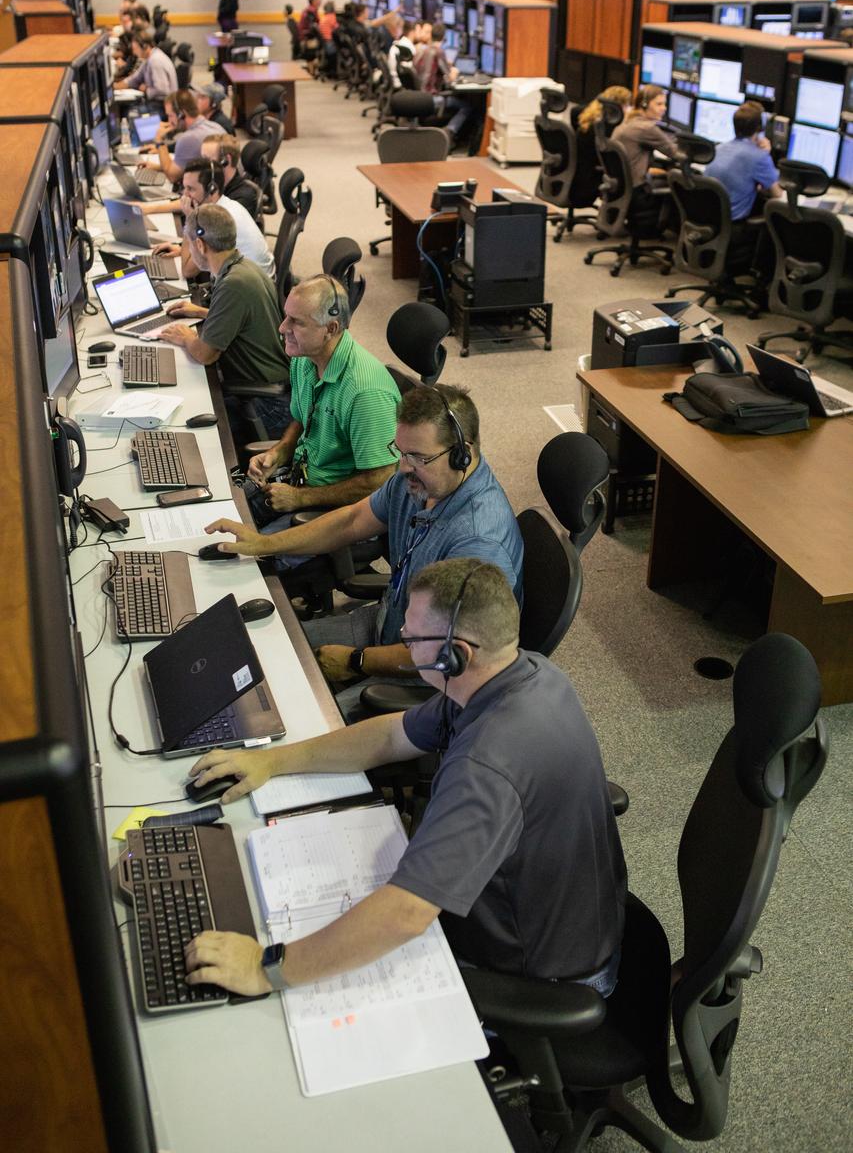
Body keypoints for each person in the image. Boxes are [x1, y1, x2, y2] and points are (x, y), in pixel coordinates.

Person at [183, 558, 627, 996]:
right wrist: (272, 762)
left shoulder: (487, 765)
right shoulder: (524, 674)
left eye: (412, 638)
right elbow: (393, 736)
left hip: (538, 976)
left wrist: (265, 970)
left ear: (455, 656)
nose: (403, 641)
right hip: (555, 917)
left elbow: (407, 913)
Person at [204, 385, 524, 720]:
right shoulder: (421, 479)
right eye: (400, 451)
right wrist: (262, 543)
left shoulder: (478, 543)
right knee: (257, 650)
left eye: (418, 457)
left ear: (462, 453)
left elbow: (445, 653)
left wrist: (356, 661)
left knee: (302, 721)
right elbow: (352, 520)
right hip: (391, 622)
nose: (403, 467)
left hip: (429, 678)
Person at [244, 274, 400, 553]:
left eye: (296, 322)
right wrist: (279, 452)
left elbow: (381, 481)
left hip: (338, 512)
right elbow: (302, 419)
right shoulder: (305, 359)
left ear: (330, 328)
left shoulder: (365, 392)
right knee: (225, 510)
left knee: (247, 555)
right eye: (286, 316)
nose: (282, 327)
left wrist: (301, 498)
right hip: (300, 482)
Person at [158, 204, 291, 439]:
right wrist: (202, 311)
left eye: (190, 244)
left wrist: (187, 338)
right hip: (273, 390)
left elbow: (205, 355)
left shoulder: (233, 284)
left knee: (180, 418)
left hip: (266, 406)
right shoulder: (244, 267)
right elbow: (243, 317)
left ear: (200, 245)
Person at [145, 157, 274, 277]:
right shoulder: (224, 205)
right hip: (250, 279)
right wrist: (182, 250)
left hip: (251, 289)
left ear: (212, 190)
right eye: (185, 188)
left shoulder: (217, 221)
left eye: (191, 189)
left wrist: (190, 219)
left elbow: (187, 271)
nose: (185, 195)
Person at [704, 103, 782, 284]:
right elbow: (777, 194)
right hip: (733, 230)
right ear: (759, 128)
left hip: (710, 224)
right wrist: (766, 154)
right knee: (775, 217)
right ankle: (763, 282)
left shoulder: (718, 148)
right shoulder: (758, 156)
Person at [138, 89, 224, 185]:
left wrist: (159, 141)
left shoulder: (188, 138)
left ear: (181, 114)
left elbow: (172, 176)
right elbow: (185, 167)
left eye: (170, 116)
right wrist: (158, 167)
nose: (169, 121)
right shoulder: (215, 126)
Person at [414, 22, 475, 146]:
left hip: (419, 96)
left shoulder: (422, 50)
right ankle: (449, 131)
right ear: (444, 37)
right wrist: (454, 71)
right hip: (432, 98)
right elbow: (450, 78)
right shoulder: (439, 52)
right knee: (467, 106)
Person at [571, 85, 633, 208]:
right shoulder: (608, 129)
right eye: (627, 105)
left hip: (578, 179)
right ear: (619, 107)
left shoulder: (589, 120)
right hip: (589, 183)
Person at [611, 84, 679, 187]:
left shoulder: (629, 119)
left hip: (621, 186)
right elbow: (675, 153)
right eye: (659, 104)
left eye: (664, 104)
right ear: (644, 105)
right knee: (679, 183)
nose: (664, 108)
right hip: (637, 189)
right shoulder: (647, 128)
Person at [200, 132, 262, 217]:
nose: (201, 165)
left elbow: (220, 223)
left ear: (225, 161)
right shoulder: (211, 184)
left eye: (207, 159)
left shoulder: (243, 197)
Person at [121, 29, 177, 107]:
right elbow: (135, 78)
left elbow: (162, 90)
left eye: (135, 49)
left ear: (145, 47)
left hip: (163, 106)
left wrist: (147, 90)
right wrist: (119, 85)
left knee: (129, 110)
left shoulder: (155, 61)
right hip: (156, 102)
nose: (134, 53)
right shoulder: (149, 58)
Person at [388, 17, 417, 88]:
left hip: (394, 81)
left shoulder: (399, 44)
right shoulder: (408, 48)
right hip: (401, 84)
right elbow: (412, 73)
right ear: (412, 32)